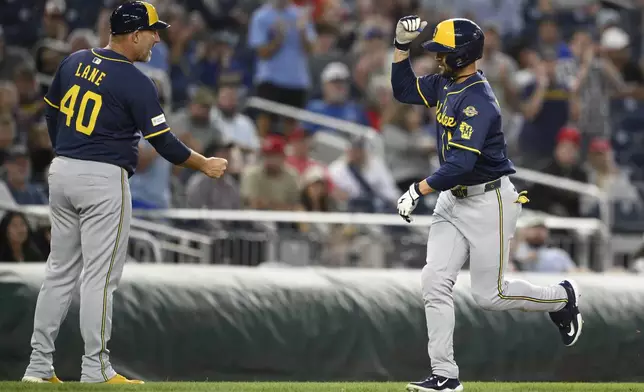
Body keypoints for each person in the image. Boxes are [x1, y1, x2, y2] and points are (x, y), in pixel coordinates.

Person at [22, 1, 227, 385]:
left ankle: (37, 368)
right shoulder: (135, 80)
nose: (156, 38)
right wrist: (205, 164)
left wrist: (68, 151)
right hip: (102, 178)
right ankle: (95, 369)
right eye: (152, 31)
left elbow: (51, 114)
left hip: (63, 169)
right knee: (99, 277)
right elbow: (164, 143)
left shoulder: (74, 60)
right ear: (134, 35)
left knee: (59, 273)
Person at [391, 16, 583, 392]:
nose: (436, 58)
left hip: (488, 200)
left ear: (461, 56)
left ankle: (562, 298)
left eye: (442, 53)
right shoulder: (447, 82)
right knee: (434, 281)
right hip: (453, 198)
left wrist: (418, 189)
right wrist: (400, 47)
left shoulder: (479, 101)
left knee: (490, 296)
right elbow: (403, 90)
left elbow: (461, 165)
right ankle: (445, 375)